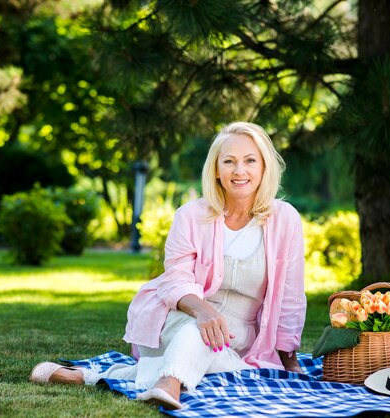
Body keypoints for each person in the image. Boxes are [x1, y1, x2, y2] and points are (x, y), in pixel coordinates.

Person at [30, 121, 307, 410]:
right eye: (229, 161)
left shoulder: (284, 219)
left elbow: (290, 295)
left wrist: (289, 361)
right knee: (200, 333)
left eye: (250, 160)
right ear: (215, 169)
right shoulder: (190, 216)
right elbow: (176, 280)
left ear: (264, 167)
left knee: (238, 370)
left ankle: (91, 377)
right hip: (177, 320)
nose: (239, 171)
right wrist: (203, 311)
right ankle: (171, 383)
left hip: (239, 340)